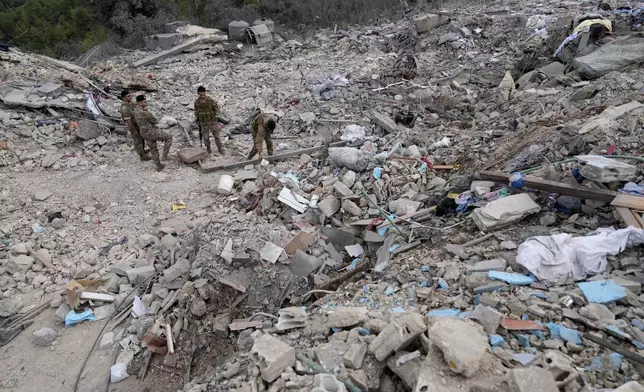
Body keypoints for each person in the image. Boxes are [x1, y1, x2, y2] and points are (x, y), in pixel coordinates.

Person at [133, 95, 172, 171]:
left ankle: (158, 165)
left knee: (153, 148)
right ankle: (164, 156)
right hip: (151, 131)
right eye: (144, 102)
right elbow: (155, 120)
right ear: (139, 103)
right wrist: (147, 111)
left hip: (144, 133)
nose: (146, 102)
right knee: (169, 137)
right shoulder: (145, 112)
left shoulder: (136, 110)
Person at [120, 89, 149, 161]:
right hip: (133, 126)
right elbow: (128, 121)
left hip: (138, 124)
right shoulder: (124, 108)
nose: (131, 97)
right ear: (124, 98)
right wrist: (133, 131)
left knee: (141, 138)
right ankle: (142, 156)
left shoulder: (130, 104)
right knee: (137, 140)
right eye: (128, 96)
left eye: (130, 95)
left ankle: (143, 150)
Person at [194, 86, 224, 155]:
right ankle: (208, 148)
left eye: (202, 93)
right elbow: (196, 111)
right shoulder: (197, 102)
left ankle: (220, 148)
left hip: (212, 121)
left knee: (216, 135)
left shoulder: (210, 100)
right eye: (200, 93)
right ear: (198, 93)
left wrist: (216, 116)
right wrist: (197, 119)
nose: (201, 95)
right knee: (205, 137)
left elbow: (216, 109)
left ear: (205, 92)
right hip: (203, 122)